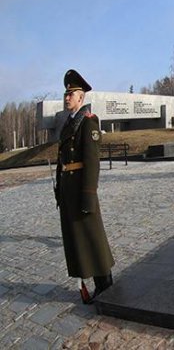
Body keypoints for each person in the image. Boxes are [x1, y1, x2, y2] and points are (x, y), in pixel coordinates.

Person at [54, 69, 115, 304]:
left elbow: (92, 162)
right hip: (69, 191)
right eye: (65, 94)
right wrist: (60, 190)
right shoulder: (69, 124)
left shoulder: (88, 123)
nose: (67, 97)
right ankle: (97, 282)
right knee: (78, 239)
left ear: (81, 98)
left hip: (81, 190)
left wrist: (89, 194)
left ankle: (105, 283)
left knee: (92, 236)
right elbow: (63, 162)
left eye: (71, 94)